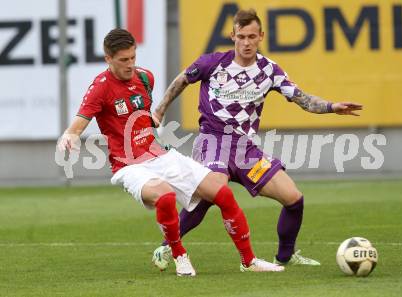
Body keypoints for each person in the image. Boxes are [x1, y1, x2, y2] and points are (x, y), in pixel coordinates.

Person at [57, 28, 284, 277]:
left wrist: (150, 122)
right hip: (129, 165)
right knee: (165, 198)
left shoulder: (145, 78)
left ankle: (249, 261)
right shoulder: (100, 88)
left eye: (133, 57)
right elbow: (80, 121)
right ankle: (179, 255)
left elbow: (140, 112)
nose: (130, 64)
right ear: (108, 59)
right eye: (123, 60)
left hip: (161, 155)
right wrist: (69, 135)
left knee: (223, 194)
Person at [151, 9, 363, 269]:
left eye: (252, 36)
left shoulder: (269, 70)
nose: (247, 42)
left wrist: (332, 107)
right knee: (213, 192)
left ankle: (285, 257)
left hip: (245, 150)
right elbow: (182, 79)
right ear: (232, 36)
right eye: (241, 36)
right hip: (213, 141)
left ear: (261, 36)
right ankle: (166, 247)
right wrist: (160, 109)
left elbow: (301, 98)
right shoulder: (212, 62)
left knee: (294, 198)